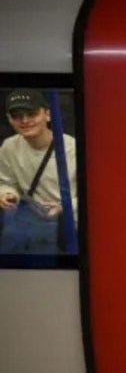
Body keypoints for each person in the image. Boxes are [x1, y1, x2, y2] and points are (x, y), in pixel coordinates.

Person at [0, 88, 78, 254]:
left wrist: (65, 206)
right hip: (30, 227)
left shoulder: (73, 148)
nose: (25, 120)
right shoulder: (9, 147)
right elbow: (6, 182)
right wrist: (8, 194)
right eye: (17, 116)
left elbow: (97, 197)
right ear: (9, 119)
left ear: (48, 115)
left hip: (70, 227)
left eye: (32, 113)